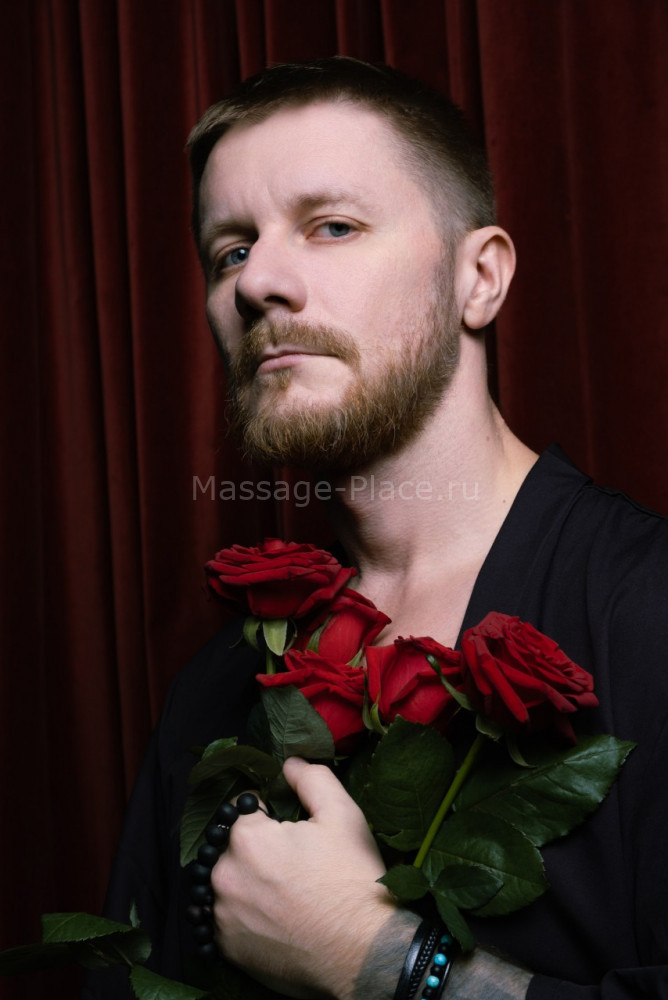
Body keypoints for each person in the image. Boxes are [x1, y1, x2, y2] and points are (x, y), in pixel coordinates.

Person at [84, 57, 668, 999]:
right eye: (230, 250)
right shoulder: (218, 689)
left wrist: (374, 954)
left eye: (333, 226)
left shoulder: (649, 613)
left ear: (480, 278)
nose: (258, 282)